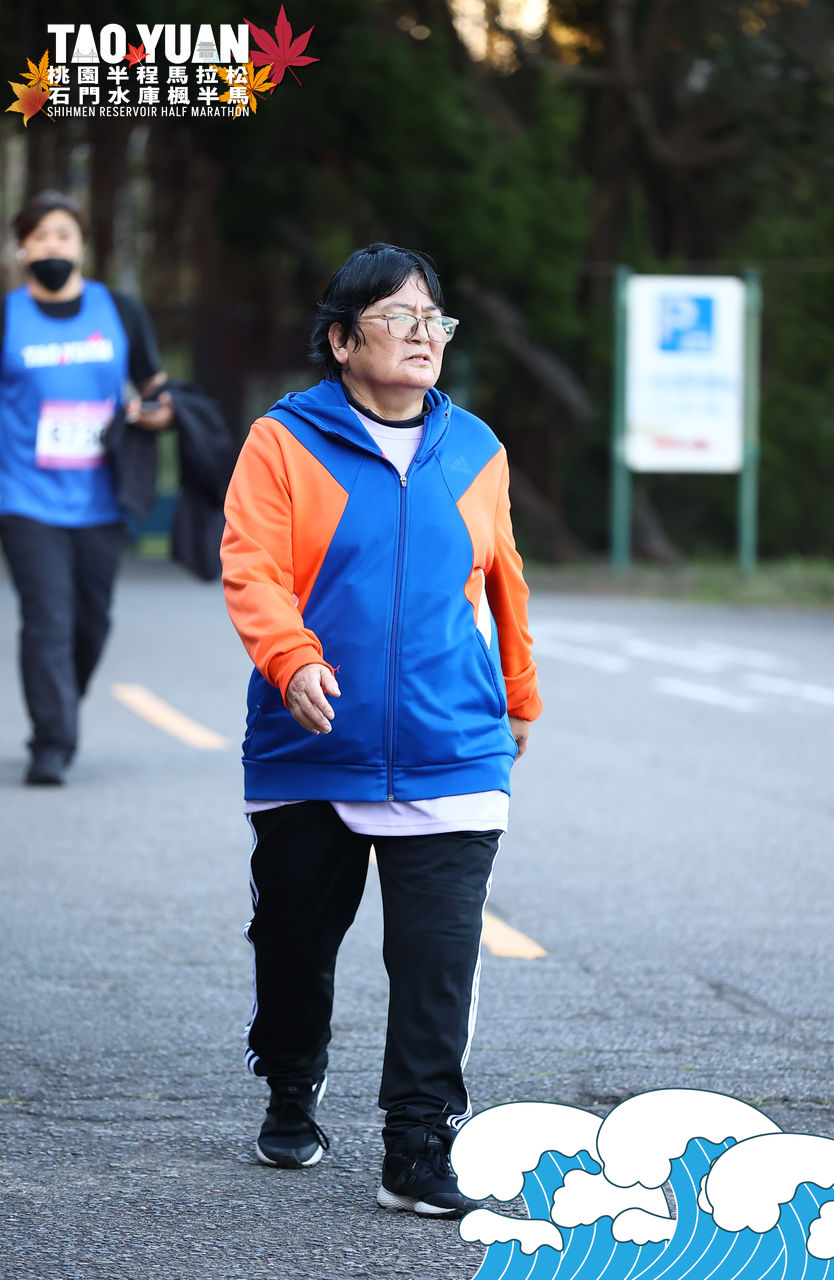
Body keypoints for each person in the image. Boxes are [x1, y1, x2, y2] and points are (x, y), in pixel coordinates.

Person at [220, 242, 542, 1217]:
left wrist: (518, 698)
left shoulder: (476, 448)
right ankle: (291, 1079)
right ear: (340, 339)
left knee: (437, 959)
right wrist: (292, 660)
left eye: (432, 318)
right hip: (312, 744)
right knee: (292, 943)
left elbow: (503, 580)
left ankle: (418, 1143)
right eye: (397, 317)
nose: (421, 334)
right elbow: (252, 567)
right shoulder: (283, 442)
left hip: (453, 743)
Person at [0, 190, 173, 785]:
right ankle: (52, 742)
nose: (52, 245)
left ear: (82, 245)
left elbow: (154, 387)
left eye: (63, 234)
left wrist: (156, 413)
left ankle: (60, 705)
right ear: (23, 248)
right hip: (24, 496)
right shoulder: (8, 317)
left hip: (102, 497)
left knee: (91, 622)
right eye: (40, 236)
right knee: (48, 617)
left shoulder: (118, 310)